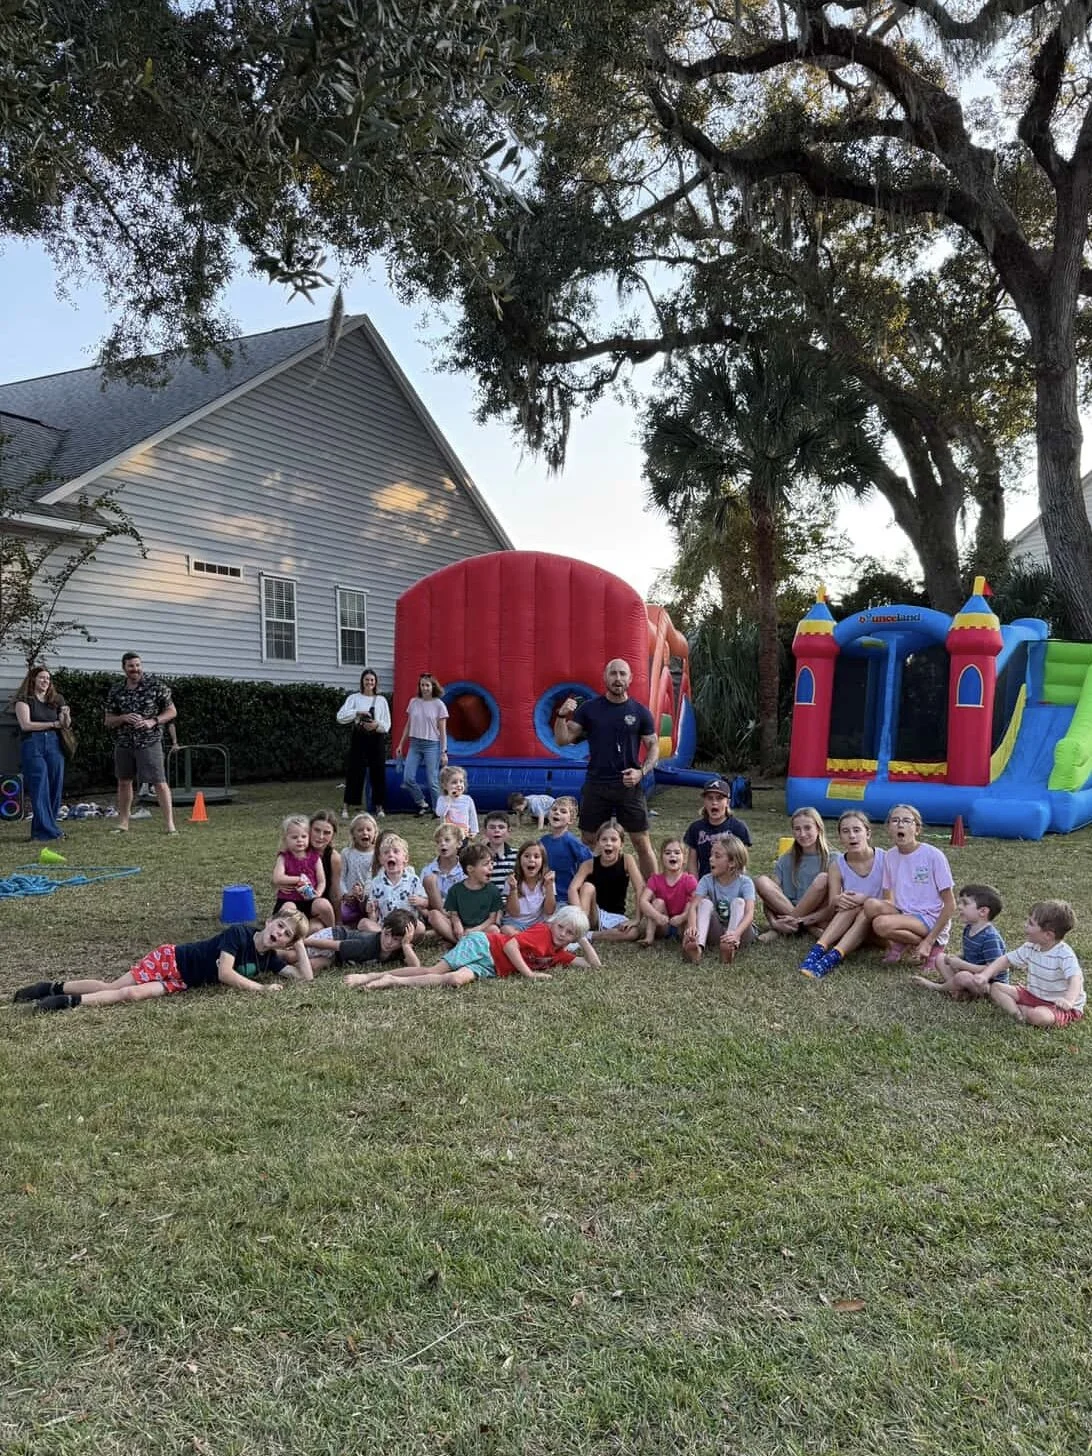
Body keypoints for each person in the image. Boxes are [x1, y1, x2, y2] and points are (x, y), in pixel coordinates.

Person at [14, 908, 311, 1012]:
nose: (279, 933)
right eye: (280, 926)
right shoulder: (239, 934)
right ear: (270, 921)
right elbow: (225, 973)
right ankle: (53, 989)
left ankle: (70, 1004)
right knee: (112, 985)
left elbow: (305, 979)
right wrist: (261, 990)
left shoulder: (268, 960)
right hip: (170, 959)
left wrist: (301, 946)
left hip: (183, 981)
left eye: (286, 935)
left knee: (131, 994)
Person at [803, 804, 955, 978]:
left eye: (906, 821)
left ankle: (933, 945)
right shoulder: (890, 856)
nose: (900, 825)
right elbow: (887, 900)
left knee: (875, 918)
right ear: (888, 828)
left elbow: (950, 905)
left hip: (928, 917)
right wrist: (851, 900)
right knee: (867, 907)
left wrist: (928, 941)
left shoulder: (933, 855)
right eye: (895, 821)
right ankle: (820, 950)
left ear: (917, 828)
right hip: (901, 914)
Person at [554, 659, 659, 879]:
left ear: (630, 678)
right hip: (597, 784)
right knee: (589, 841)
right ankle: (590, 890)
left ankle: (655, 894)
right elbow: (563, 740)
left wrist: (641, 772)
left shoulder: (640, 712)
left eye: (622, 674)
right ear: (605, 677)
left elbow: (653, 747)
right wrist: (562, 716)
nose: (618, 679)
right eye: (613, 674)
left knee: (641, 841)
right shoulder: (590, 709)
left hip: (628, 786)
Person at [349, 905, 601, 992]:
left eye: (570, 934)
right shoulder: (543, 933)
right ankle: (374, 976)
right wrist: (530, 974)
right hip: (484, 945)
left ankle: (395, 980)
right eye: (562, 928)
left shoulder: (560, 952)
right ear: (553, 923)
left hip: (490, 966)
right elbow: (512, 946)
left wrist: (582, 939)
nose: (562, 935)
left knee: (455, 980)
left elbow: (593, 966)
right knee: (435, 970)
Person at [799, 811, 885, 978]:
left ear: (867, 833)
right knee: (850, 904)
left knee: (862, 908)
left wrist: (865, 898)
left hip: (879, 925)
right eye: (845, 831)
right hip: (850, 922)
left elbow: (894, 901)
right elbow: (832, 906)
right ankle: (818, 950)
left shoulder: (886, 859)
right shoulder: (837, 865)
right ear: (840, 837)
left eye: (857, 830)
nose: (852, 836)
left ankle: (832, 957)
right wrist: (838, 899)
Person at [104, 652, 177, 834]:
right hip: (124, 743)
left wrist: (153, 721)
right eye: (131, 666)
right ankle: (123, 823)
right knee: (124, 781)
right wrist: (123, 717)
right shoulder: (116, 690)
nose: (135, 669)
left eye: (137, 665)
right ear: (124, 668)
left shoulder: (156, 686)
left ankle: (170, 825)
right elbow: (108, 720)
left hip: (149, 741)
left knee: (159, 782)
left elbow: (172, 711)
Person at [987, 901, 1084, 1027]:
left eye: (1031, 923)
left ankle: (1024, 1011)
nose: (1025, 925)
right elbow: (1006, 960)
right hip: (1033, 995)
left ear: (1048, 935)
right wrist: (985, 975)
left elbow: (1075, 979)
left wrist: (1068, 1000)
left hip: (1058, 1005)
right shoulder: (1030, 947)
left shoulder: (1064, 954)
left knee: (1039, 1016)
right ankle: (1017, 1013)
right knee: (996, 988)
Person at [911, 884, 1007, 998]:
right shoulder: (969, 928)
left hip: (989, 985)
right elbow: (972, 956)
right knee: (941, 958)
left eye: (965, 903)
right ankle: (958, 989)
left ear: (983, 911)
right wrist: (956, 958)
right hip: (973, 975)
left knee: (963, 976)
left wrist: (962, 964)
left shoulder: (990, 938)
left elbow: (993, 970)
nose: (960, 907)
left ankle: (938, 987)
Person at [13, 664, 71, 842]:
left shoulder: (56, 699)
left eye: (48, 678)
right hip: (33, 743)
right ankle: (50, 831)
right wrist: (53, 724)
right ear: (33, 679)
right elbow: (26, 725)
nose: (46, 681)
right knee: (40, 786)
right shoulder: (23, 700)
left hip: (54, 743)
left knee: (54, 785)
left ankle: (42, 831)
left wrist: (66, 715)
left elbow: (65, 724)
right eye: (42, 678)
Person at [754, 807, 831, 940]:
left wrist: (806, 919)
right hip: (786, 909)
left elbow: (834, 902)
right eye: (797, 829)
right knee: (761, 881)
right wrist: (773, 922)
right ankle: (802, 927)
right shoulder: (785, 859)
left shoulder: (834, 859)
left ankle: (797, 925)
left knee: (823, 879)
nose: (802, 834)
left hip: (818, 916)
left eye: (808, 828)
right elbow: (770, 898)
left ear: (818, 829)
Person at [683, 835, 756, 965]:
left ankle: (730, 946)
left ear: (732, 862)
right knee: (704, 903)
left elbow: (750, 913)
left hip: (742, 933)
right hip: (717, 932)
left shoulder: (745, 882)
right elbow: (693, 907)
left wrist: (736, 934)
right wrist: (693, 926)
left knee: (739, 902)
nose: (711, 859)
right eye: (711, 855)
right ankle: (697, 947)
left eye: (717, 856)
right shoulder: (706, 880)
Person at [568, 819, 644, 942]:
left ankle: (588, 936)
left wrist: (637, 919)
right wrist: (578, 916)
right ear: (598, 843)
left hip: (615, 917)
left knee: (633, 932)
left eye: (614, 840)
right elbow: (572, 888)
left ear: (621, 844)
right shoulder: (589, 864)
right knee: (587, 887)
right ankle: (580, 927)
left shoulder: (627, 860)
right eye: (604, 839)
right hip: (593, 915)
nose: (609, 843)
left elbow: (640, 887)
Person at [336, 668, 391, 819]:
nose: (369, 683)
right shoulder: (354, 698)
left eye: (372, 680)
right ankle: (347, 806)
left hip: (376, 738)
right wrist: (357, 713)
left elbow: (387, 724)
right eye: (367, 680)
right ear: (362, 681)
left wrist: (376, 725)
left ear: (375, 682)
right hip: (359, 737)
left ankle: (379, 807)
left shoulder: (381, 700)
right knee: (354, 771)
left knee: (378, 772)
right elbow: (340, 717)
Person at [395, 672, 448, 815]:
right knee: (408, 778)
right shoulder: (413, 702)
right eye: (422, 685)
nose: (424, 688)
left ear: (433, 686)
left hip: (432, 745)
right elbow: (408, 724)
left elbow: (442, 731)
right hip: (415, 744)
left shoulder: (439, 705)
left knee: (433, 781)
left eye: (427, 685)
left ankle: (438, 810)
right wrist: (400, 744)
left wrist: (443, 751)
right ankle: (422, 803)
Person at [305, 909, 419, 976]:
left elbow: (415, 968)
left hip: (337, 957)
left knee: (311, 966)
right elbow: (334, 945)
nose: (388, 942)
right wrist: (304, 942)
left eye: (396, 940)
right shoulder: (366, 944)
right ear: (382, 929)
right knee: (294, 956)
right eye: (386, 934)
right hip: (331, 939)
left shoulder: (402, 948)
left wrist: (406, 945)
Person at [432, 841, 505, 945]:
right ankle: (461, 941)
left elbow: (492, 918)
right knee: (434, 915)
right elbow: (454, 914)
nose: (491, 867)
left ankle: (459, 943)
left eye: (491, 863)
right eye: (486, 864)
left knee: (494, 930)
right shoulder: (455, 890)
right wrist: (457, 924)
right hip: (461, 929)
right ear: (470, 869)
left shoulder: (493, 890)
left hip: (482, 928)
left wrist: (475, 930)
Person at [272, 814, 334, 929]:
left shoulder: (315, 858)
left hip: (309, 901)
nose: (299, 840)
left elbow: (322, 881)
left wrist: (318, 894)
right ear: (286, 839)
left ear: (308, 837)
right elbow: (277, 878)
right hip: (288, 900)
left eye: (304, 836)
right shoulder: (284, 857)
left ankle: (333, 931)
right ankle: (286, 939)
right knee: (288, 908)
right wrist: (298, 879)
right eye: (294, 837)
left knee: (323, 904)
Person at [683, 778, 752, 880]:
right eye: (710, 798)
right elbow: (692, 863)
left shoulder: (738, 827)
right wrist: (696, 887)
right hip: (705, 884)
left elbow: (742, 863)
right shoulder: (696, 828)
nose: (714, 803)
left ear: (727, 802)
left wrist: (738, 886)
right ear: (704, 801)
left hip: (731, 884)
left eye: (719, 798)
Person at [639, 837, 698, 947]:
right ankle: (649, 937)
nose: (672, 855)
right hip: (663, 925)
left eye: (677, 853)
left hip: (682, 925)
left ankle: (688, 941)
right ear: (661, 858)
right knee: (657, 902)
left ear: (684, 858)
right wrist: (657, 916)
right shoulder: (655, 879)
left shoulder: (689, 879)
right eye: (668, 853)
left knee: (691, 904)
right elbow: (643, 901)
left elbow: (698, 901)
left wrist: (683, 917)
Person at [365, 833, 429, 930]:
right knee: (364, 924)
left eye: (396, 852)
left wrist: (421, 901)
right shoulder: (376, 883)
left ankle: (395, 940)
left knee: (420, 927)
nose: (391, 854)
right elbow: (374, 913)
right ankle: (388, 938)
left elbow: (426, 903)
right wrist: (371, 911)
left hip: (409, 927)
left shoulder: (413, 880)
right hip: (386, 927)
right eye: (386, 853)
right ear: (381, 860)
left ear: (405, 858)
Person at [539, 796, 592, 899]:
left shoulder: (572, 841)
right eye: (554, 809)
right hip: (543, 895)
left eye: (563, 811)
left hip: (564, 895)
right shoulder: (542, 841)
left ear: (571, 820)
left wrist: (579, 882)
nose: (557, 812)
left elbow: (589, 862)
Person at [502, 840, 558, 931]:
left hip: (537, 924)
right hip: (515, 923)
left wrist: (550, 887)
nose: (531, 859)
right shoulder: (512, 880)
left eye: (536, 856)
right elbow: (514, 913)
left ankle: (524, 940)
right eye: (527, 856)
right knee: (507, 930)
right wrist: (513, 889)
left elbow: (549, 911)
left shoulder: (547, 880)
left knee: (551, 929)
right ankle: (526, 940)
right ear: (519, 860)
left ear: (542, 861)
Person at [423, 824, 467, 934]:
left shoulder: (465, 869)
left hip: (460, 913)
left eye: (447, 840)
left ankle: (445, 933)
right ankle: (455, 936)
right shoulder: (428, 870)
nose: (442, 843)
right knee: (430, 880)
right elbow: (423, 899)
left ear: (459, 843)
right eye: (438, 842)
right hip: (437, 913)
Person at [340, 812, 379, 926]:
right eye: (360, 830)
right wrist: (345, 894)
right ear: (353, 834)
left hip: (369, 898)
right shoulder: (347, 853)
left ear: (375, 833)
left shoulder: (378, 854)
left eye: (368, 829)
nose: (365, 832)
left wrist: (366, 895)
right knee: (345, 916)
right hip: (351, 898)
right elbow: (341, 877)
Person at [308, 811, 343, 924]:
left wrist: (338, 922)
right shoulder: (298, 850)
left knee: (315, 929)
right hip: (296, 905)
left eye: (327, 833)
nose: (320, 836)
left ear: (333, 835)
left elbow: (335, 894)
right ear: (309, 829)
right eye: (317, 830)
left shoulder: (333, 858)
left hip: (321, 909)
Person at [435, 765, 479, 836]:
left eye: (461, 782)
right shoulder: (442, 799)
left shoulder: (467, 799)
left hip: (464, 833)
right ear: (445, 785)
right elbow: (440, 813)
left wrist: (474, 831)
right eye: (454, 782)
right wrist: (449, 799)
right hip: (448, 835)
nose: (459, 785)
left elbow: (472, 815)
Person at [482, 810, 518, 894]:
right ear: (485, 831)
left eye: (501, 827)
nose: (497, 830)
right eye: (492, 827)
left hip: (510, 902)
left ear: (509, 831)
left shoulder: (517, 855)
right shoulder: (478, 856)